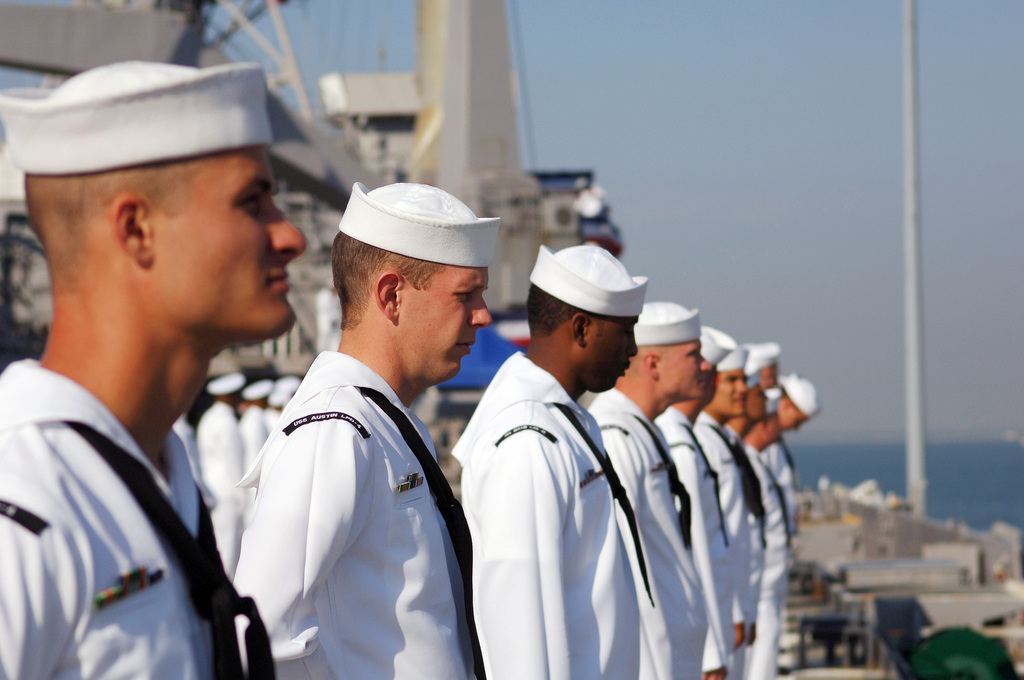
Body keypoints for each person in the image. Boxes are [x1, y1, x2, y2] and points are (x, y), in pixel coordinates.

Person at [0, 60, 306, 679]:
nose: (291, 236)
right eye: (253, 202)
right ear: (137, 229)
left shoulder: (159, 468)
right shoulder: (21, 510)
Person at [234, 182, 499, 680]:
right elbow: (259, 637)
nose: (483, 315)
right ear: (392, 295)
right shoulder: (335, 431)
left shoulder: (384, 421)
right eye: (466, 294)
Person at [453, 244, 647, 680]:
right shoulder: (527, 439)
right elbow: (517, 626)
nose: (632, 349)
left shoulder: (563, 420)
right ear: (582, 329)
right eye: (625, 332)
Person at [588, 301, 709, 680]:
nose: (705, 366)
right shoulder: (616, 435)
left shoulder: (644, 429)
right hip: (655, 659)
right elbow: (631, 576)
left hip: (678, 646)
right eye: (694, 355)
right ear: (654, 364)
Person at [656, 326, 735, 680]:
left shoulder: (682, 437)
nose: (709, 376)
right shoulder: (677, 443)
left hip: (714, 614)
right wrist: (712, 653)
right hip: (695, 628)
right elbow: (694, 550)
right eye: (698, 362)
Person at [693, 331, 762, 678]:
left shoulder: (721, 440)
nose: (741, 390)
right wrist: (737, 611)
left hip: (731, 602)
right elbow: (705, 539)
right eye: (730, 380)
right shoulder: (699, 441)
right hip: (717, 610)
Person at [197, 371, 248, 577]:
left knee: (219, 546)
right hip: (228, 494)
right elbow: (234, 463)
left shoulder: (208, 417)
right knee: (228, 551)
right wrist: (242, 498)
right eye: (235, 394)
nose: (238, 399)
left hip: (213, 490)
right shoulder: (227, 422)